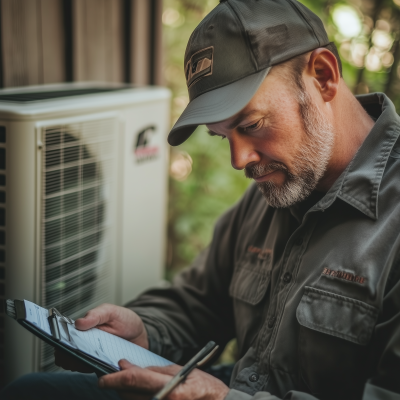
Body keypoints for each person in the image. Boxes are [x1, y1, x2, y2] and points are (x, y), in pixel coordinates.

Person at [3, 0, 400, 399]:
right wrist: (145, 327)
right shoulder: (272, 192)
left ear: (323, 76)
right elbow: (200, 303)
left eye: (252, 125)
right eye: (224, 136)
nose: (240, 159)